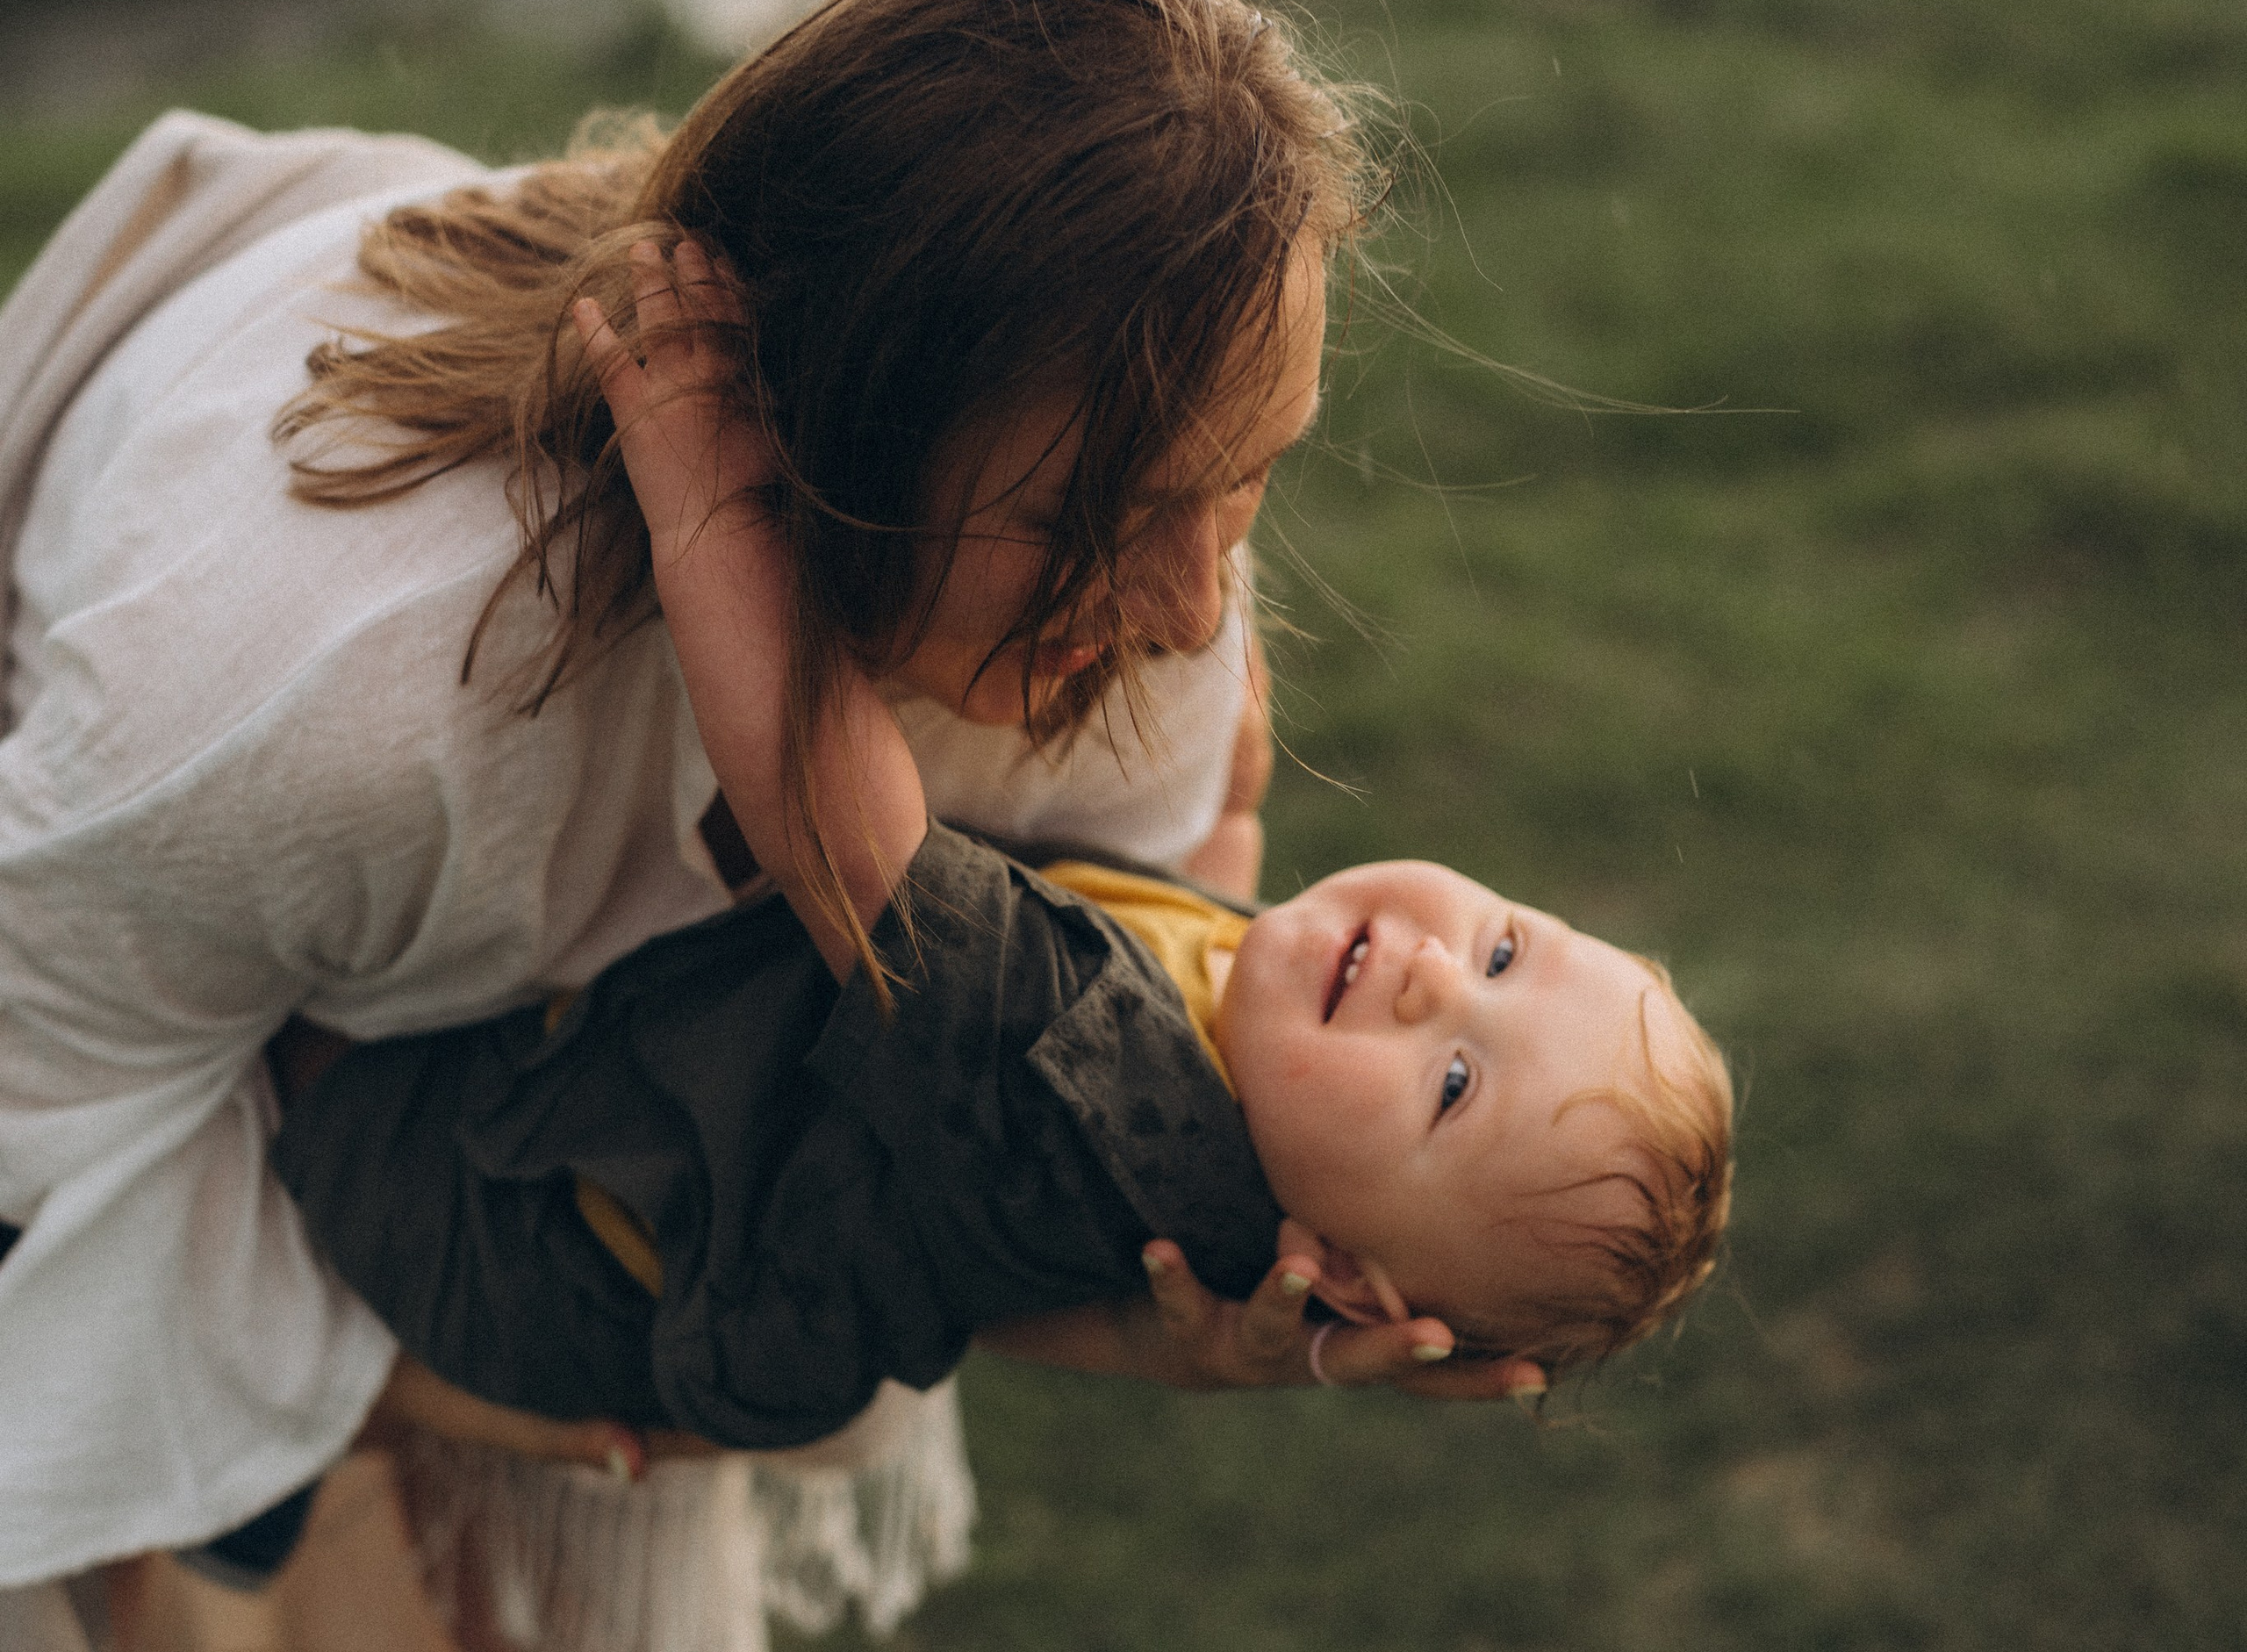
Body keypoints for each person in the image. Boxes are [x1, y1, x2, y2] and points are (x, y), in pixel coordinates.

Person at [0, 0, 1546, 1652]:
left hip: (538, 884)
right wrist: (476, 1377)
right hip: (124, 943)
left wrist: (1184, 1332)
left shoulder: (1122, 603)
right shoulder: (297, 694)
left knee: (631, 1523)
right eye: (1114, 520)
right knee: (42, 1640)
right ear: (819, 433)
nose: (1195, 608)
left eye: (1246, 486)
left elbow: (943, 1162)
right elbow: (57, 1179)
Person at [272, 241, 1734, 1466]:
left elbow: (835, 818)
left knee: (302, 1078)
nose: (1429, 979)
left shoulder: (1104, 1087)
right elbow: (1192, 938)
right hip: (725, 1197)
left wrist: (708, 490)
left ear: (1342, 1274)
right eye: (1503, 951)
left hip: (567, 1254)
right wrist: (1226, 821)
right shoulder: (1255, 1094)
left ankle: (393, 1411)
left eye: (1457, 1087)